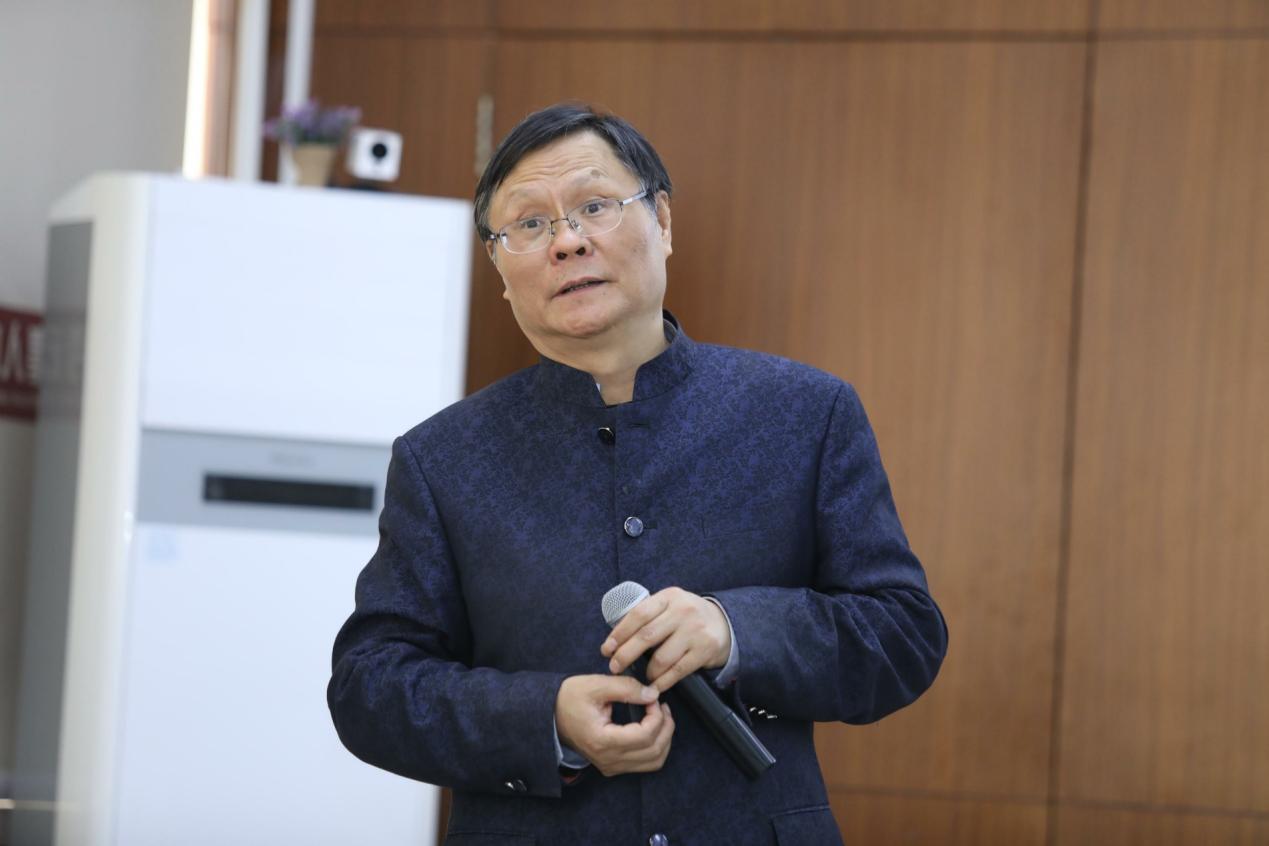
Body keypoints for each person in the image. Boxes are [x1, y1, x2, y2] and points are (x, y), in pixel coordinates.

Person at [328, 102, 948, 846]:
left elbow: (902, 635)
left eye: (595, 206)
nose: (567, 241)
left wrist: (735, 630)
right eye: (528, 224)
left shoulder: (805, 414)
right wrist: (545, 719)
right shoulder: (442, 459)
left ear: (663, 221)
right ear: (500, 270)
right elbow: (369, 687)